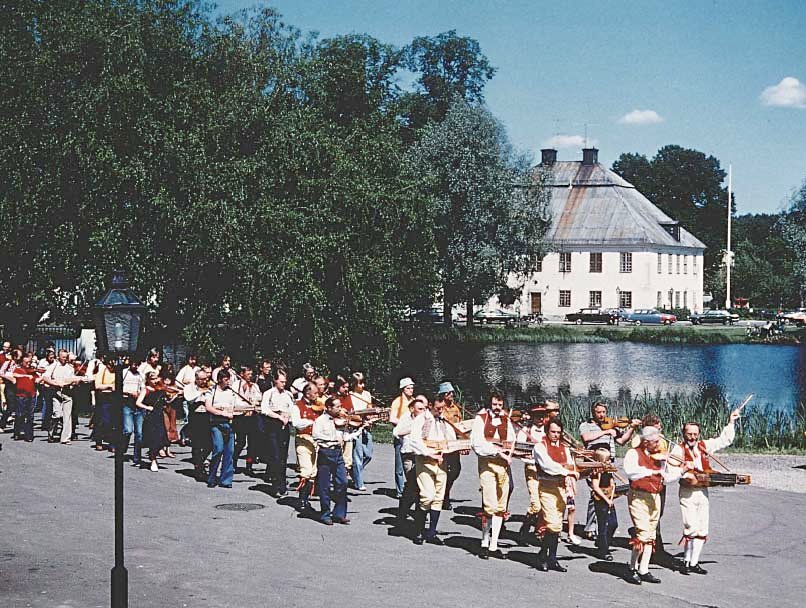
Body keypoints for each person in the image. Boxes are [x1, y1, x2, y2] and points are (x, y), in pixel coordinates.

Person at [670, 408, 741, 575]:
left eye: (695, 434)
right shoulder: (678, 450)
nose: (693, 437)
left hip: (703, 492)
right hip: (687, 492)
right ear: (683, 434)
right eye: (689, 434)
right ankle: (686, 562)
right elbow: (672, 470)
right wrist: (686, 473)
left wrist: (731, 421)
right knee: (691, 527)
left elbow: (724, 440)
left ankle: (694, 563)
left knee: (702, 529)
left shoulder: (704, 446)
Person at [623, 426, 688, 585]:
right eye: (656, 441)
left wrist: (681, 471)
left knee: (651, 536)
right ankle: (632, 568)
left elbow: (665, 477)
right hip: (639, 496)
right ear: (646, 442)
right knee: (643, 534)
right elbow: (631, 472)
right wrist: (651, 471)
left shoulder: (658, 457)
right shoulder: (633, 453)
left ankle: (643, 569)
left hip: (655, 496)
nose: (660, 444)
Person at [579, 402, 640, 541]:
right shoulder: (586, 425)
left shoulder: (611, 425)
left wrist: (632, 428)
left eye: (604, 412)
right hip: (593, 462)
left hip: (608, 463)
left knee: (604, 492)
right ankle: (591, 528)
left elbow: (622, 441)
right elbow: (586, 438)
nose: (602, 415)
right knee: (596, 493)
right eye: (598, 412)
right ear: (593, 413)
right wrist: (606, 432)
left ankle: (598, 526)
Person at [470, 390, 515, 559]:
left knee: (500, 506)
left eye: (500, 405)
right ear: (490, 404)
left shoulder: (506, 420)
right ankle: (484, 541)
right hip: (487, 464)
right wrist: (498, 452)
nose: (497, 408)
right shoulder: (481, 419)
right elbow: (477, 444)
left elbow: (511, 440)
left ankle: (494, 545)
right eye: (495, 404)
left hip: (503, 466)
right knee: (489, 504)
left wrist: (509, 452)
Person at [407, 394, 456, 545]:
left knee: (438, 498)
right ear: (430, 407)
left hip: (441, 462)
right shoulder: (421, 420)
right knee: (427, 496)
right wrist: (430, 453)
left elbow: (451, 438)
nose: (441, 411)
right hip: (425, 461)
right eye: (438, 408)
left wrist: (458, 447)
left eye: (442, 408)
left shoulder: (443, 421)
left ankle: (432, 532)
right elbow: (414, 441)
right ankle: (418, 530)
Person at [311, 396, 365, 525]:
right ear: (329, 408)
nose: (340, 409)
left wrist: (359, 430)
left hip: (338, 453)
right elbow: (316, 436)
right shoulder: (320, 420)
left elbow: (345, 437)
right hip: (325, 453)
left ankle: (339, 513)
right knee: (324, 485)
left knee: (343, 482)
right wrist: (333, 439)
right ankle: (325, 514)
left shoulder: (340, 421)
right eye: (337, 407)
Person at [534, 419, 578, 572]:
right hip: (546, 487)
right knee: (552, 523)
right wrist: (566, 472)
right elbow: (547, 465)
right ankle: (542, 555)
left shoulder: (564, 448)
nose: (556, 435)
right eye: (553, 432)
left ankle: (552, 558)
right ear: (547, 431)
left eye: (559, 432)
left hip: (561, 488)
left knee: (557, 526)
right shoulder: (540, 446)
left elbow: (571, 465)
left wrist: (573, 477)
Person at [515, 402, 558, 544]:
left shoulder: (549, 431)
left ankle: (539, 531)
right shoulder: (525, 431)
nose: (540, 419)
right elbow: (518, 450)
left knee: (545, 503)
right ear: (532, 417)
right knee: (536, 504)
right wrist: (525, 457)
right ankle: (525, 529)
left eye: (542, 415)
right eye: (537, 416)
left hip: (547, 472)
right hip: (532, 469)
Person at [393, 395, 428, 520]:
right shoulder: (406, 418)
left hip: (422, 455)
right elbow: (396, 432)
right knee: (413, 483)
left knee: (419, 484)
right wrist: (413, 428)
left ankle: (416, 512)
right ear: (412, 409)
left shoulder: (427, 420)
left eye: (424, 408)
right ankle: (405, 510)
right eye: (420, 409)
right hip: (408, 455)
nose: (423, 411)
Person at [260, 368, 295, 495]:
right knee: (275, 456)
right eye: (281, 381)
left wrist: (288, 417)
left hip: (284, 426)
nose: (283, 384)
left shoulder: (288, 394)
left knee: (283, 457)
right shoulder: (269, 393)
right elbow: (265, 409)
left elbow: (292, 409)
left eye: (285, 382)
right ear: (275, 381)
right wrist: (279, 416)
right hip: (272, 426)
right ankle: (275, 485)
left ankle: (282, 484)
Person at [204, 370, 237, 488]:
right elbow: (208, 407)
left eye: (229, 379)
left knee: (230, 451)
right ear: (219, 380)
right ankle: (211, 476)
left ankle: (226, 480)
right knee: (218, 448)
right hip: (216, 424)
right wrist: (222, 412)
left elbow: (234, 406)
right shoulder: (211, 391)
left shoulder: (231, 392)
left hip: (229, 425)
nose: (228, 382)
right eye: (226, 379)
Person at [291, 382, 321, 512]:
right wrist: (311, 422)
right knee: (306, 470)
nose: (317, 395)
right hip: (303, 440)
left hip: (316, 441)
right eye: (315, 393)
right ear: (307, 393)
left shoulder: (319, 407)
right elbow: (296, 423)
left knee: (313, 472)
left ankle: (306, 499)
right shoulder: (297, 406)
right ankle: (301, 500)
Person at [136, 372, 173, 471]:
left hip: (159, 415)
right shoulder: (146, 390)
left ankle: (154, 455)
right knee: (153, 438)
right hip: (150, 417)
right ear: (148, 380)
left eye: (156, 378)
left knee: (161, 437)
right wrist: (147, 407)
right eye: (152, 379)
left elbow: (166, 401)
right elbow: (138, 402)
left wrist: (172, 397)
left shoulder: (160, 389)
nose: (155, 380)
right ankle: (153, 460)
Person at [437, 381, 464, 510]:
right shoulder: (440, 408)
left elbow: (461, 425)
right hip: (442, 444)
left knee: (455, 470)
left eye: (452, 392)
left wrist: (463, 443)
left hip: (454, 444)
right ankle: (443, 498)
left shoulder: (455, 408)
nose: (451, 395)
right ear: (443, 395)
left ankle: (446, 491)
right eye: (448, 393)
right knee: (443, 471)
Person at [589, 447, 619, 560]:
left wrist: (614, 489)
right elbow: (596, 488)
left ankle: (602, 542)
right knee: (603, 525)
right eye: (607, 460)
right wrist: (607, 500)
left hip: (608, 498)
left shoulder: (608, 471)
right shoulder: (597, 472)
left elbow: (612, 483)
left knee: (613, 524)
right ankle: (603, 550)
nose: (609, 462)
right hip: (600, 499)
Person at [183, 369, 213, 480]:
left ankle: (200, 461)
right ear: (196, 379)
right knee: (196, 443)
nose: (205, 381)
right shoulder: (189, 387)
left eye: (206, 379)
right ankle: (198, 467)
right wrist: (201, 392)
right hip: (195, 417)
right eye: (202, 379)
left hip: (206, 416)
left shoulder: (210, 387)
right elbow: (189, 399)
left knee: (209, 443)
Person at [348, 371, 375, 492]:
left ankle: (354, 472)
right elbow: (350, 413)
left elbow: (370, 409)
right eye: (360, 383)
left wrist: (370, 418)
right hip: (355, 427)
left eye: (363, 383)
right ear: (354, 384)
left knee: (368, 454)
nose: (362, 386)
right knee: (357, 455)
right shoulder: (350, 396)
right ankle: (358, 482)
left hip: (366, 426)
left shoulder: (367, 394)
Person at [389, 377, 415, 499]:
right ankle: (400, 490)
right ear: (403, 389)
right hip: (400, 436)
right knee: (399, 465)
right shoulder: (397, 402)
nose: (411, 390)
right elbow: (392, 418)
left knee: (412, 463)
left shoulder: (415, 402)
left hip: (412, 436)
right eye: (408, 388)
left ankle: (412, 487)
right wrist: (403, 424)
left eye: (412, 388)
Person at [120, 359, 145, 465]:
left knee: (139, 433)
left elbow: (143, 388)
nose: (135, 366)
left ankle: (137, 456)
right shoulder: (124, 373)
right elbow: (117, 388)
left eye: (137, 364)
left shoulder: (141, 375)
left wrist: (140, 393)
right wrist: (129, 392)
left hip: (137, 405)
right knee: (128, 430)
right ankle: (122, 449)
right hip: (126, 403)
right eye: (134, 364)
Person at [11, 352, 38, 442]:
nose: (28, 364)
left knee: (30, 415)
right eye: (26, 362)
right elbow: (14, 375)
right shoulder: (18, 369)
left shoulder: (32, 370)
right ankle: (17, 432)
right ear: (22, 362)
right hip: (21, 395)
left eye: (29, 362)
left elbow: (37, 379)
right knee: (20, 415)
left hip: (32, 394)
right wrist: (26, 375)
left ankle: (29, 435)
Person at [92, 356, 117, 452]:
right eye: (110, 365)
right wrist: (109, 386)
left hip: (115, 398)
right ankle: (99, 440)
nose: (112, 367)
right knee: (104, 420)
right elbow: (97, 385)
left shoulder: (117, 372)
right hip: (104, 398)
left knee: (114, 421)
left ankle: (112, 443)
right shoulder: (102, 371)